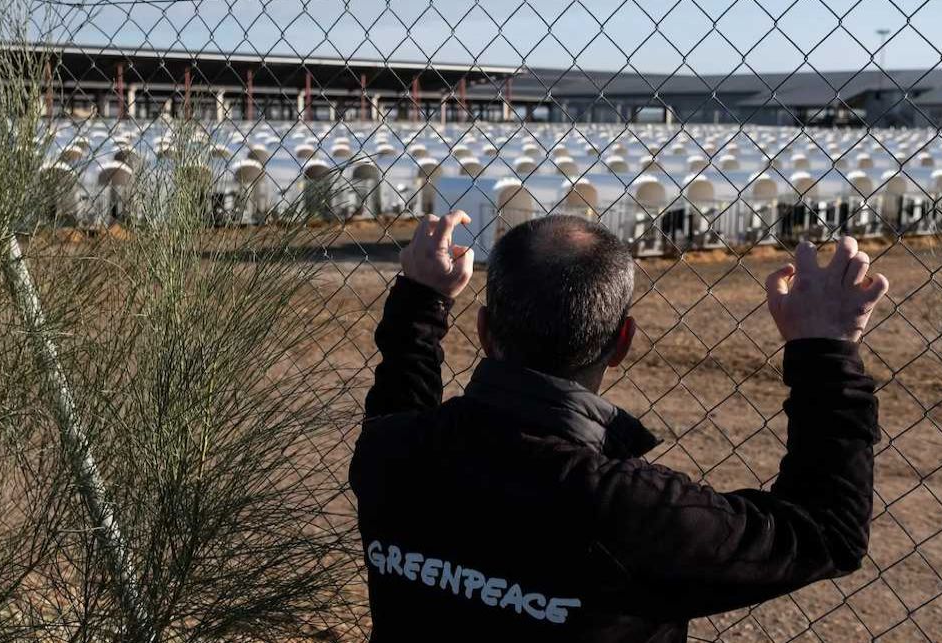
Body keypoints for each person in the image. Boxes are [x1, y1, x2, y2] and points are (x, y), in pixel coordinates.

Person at [350, 211, 888, 642]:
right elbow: (825, 531)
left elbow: (399, 405)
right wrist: (824, 349)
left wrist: (420, 301)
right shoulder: (632, 513)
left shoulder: (390, 454)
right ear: (622, 342)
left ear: (485, 330)